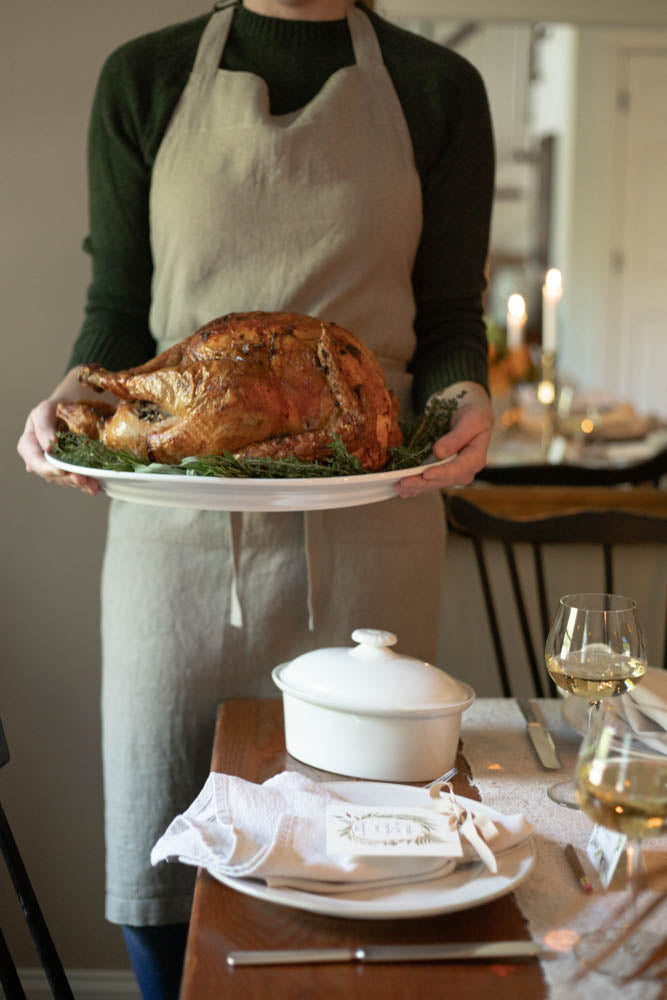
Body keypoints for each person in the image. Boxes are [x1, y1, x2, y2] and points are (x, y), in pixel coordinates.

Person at [17, 1, 495, 996]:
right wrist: (75, 388)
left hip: (375, 508)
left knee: (368, 855)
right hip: (175, 540)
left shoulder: (438, 87)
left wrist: (462, 399)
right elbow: (119, 308)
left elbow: (450, 315)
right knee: (163, 854)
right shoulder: (143, 79)